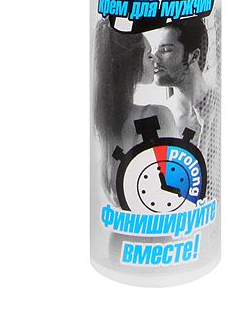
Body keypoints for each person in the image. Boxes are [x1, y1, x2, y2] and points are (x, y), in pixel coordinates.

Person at [93, 20, 176, 206]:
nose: (155, 59)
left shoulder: (103, 130)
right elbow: (180, 186)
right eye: (148, 55)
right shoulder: (156, 115)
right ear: (131, 64)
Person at [151, 17, 220, 200]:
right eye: (155, 50)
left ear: (193, 56)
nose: (155, 58)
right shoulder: (160, 120)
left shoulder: (220, 105)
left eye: (166, 50)